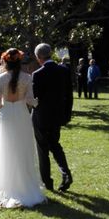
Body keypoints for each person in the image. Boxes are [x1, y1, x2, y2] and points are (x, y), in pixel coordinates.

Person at [0, 48, 46, 208]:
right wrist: (39, 102)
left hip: (6, 116)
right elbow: (31, 100)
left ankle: (6, 187)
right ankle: (25, 186)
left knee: (5, 150)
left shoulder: (0, 78)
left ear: (5, 61)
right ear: (20, 61)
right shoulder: (27, 77)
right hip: (22, 114)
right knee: (23, 149)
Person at [32, 43, 73, 192]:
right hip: (57, 116)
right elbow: (69, 95)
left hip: (41, 116)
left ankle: (47, 182)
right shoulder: (63, 70)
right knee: (55, 144)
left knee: (43, 149)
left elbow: (34, 98)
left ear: (39, 57)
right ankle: (65, 172)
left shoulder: (38, 74)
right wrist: (67, 114)